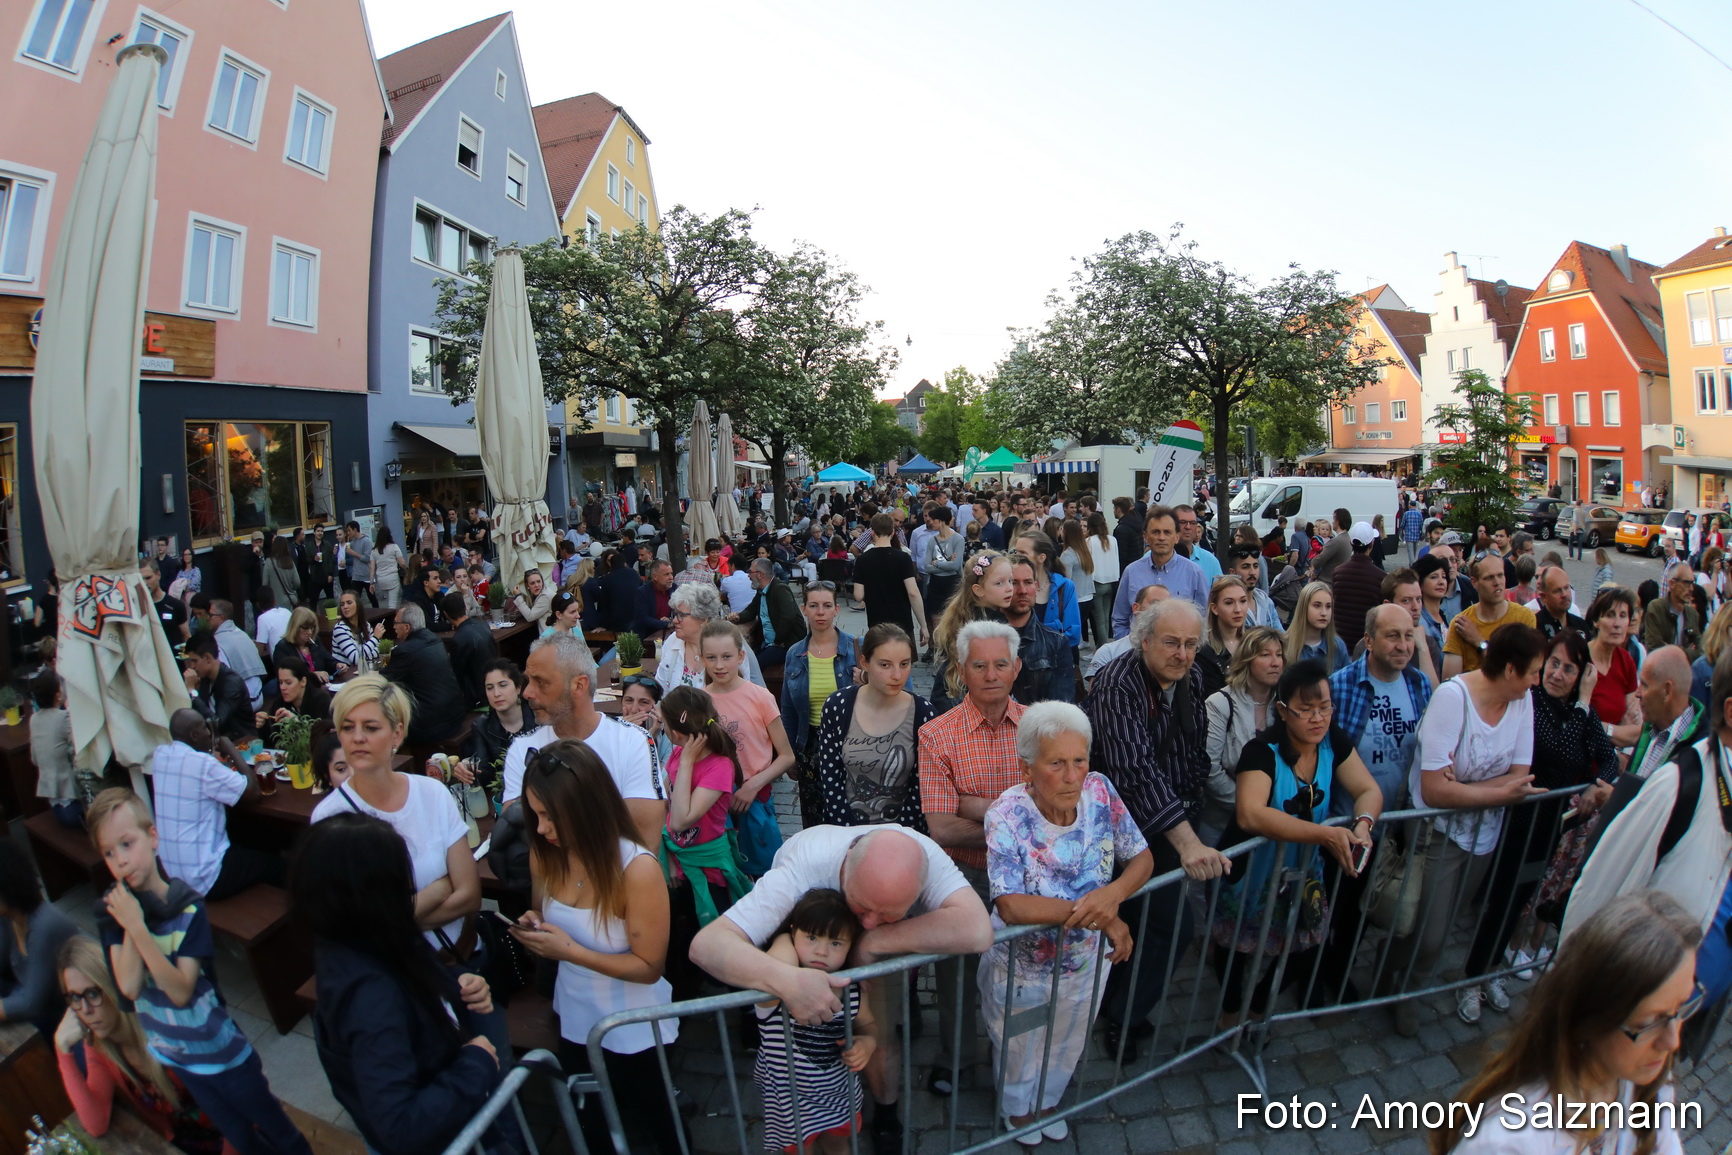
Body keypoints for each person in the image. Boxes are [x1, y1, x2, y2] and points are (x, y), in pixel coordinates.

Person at [689, 826, 991, 1154]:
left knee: (880, 1034)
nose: (870, 921)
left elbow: (978, 930)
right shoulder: (802, 868)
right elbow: (707, 946)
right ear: (846, 866)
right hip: (810, 939)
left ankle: (885, 1114)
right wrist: (786, 980)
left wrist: (875, 941)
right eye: (861, 907)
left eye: (889, 914)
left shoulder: (925, 856)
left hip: (871, 954)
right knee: (793, 1026)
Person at [86, 789, 311, 1155]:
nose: (120, 861)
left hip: (222, 1054)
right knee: (240, 1138)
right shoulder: (114, 914)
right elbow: (127, 986)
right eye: (109, 853)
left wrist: (140, 929)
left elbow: (180, 990)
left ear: (153, 837)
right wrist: (130, 924)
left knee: (278, 1131)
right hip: (178, 1058)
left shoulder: (186, 908)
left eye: (127, 844)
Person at [980, 701, 1152, 1141]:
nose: (1073, 775)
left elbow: (1142, 857)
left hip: (1084, 962)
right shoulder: (1006, 814)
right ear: (1027, 768)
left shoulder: (1100, 791)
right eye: (1057, 763)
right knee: (1020, 1043)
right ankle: (1017, 1111)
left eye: (1079, 760)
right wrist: (1100, 918)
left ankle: (1048, 1101)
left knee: (1069, 1036)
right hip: (1022, 966)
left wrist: (1110, 897)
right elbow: (1011, 905)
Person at [506, 739, 683, 1154]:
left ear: (587, 810)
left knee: (661, 1124)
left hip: (635, 1027)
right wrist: (534, 926)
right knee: (592, 1123)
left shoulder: (636, 869)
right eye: (536, 816)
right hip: (575, 1018)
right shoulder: (546, 856)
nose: (543, 829)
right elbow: (544, 915)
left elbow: (649, 966)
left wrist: (568, 952)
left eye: (551, 817)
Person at [291, 815, 503, 1155]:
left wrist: (454, 984)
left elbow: (416, 975)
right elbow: (401, 1128)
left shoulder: (352, 935)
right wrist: (474, 1065)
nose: (410, 889)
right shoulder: (369, 998)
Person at [1432, 891, 1703, 1155]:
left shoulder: (1648, 1079)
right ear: (1591, 1015)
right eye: (1649, 1022)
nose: (1673, 1041)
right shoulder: (1508, 1142)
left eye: (1680, 1009)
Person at [1082, 598, 1232, 1059]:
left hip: (1165, 823)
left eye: (1190, 644)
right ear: (1144, 641)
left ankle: (1119, 1009)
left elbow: (1193, 755)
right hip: (1117, 829)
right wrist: (1187, 839)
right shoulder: (1117, 683)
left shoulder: (1194, 676)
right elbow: (1134, 770)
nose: (1182, 654)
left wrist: (1189, 810)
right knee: (1168, 926)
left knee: (1155, 925)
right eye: (1171, 642)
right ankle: (1119, 1016)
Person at [1210, 660, 1381, 1023]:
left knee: (1304, 946)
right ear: (1284, 711)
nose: (1317, 718)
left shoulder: (1333, 742)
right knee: (1234, 949)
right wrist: (1325, 834)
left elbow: (1367, 789)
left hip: (1302, 872)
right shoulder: (1261, 751)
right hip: (1250, 874)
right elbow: (1250, 814)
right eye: (1306, 710)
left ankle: (1257, 1008)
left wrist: (1363, 824)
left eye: (1325, 708)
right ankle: (1228, 1012)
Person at [1399, 625, 1547, 1026]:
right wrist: (1498, 794)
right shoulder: (1453, 698)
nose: (1538, 680)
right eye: (1533, 671)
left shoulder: (1522, 700)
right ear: (1511, 670)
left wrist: (1464, 788)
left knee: (1446, 924)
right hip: (1438, 833)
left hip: (1484, 833)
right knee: (1429, 931)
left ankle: (1405, 977)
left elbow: (1521, 774)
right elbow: (1434, 790)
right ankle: (1404, 987)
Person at [918, 619, 1027, 1095]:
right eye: (979, 665)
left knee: (1024, 969)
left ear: (1017, 668)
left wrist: (974, 805)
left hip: (1025, 873)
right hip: (962, 872)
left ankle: (1017, 1058)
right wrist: (1016, 816)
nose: (990, 674)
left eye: (1000, 664)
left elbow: (1057, 805)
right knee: (956, 970)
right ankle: (957, 1056)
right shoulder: (937, 735)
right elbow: (940, 826)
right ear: (962, 670)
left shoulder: (1040, 729)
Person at [1562, 651, 1732, 942]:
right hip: (1635, 952)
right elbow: (1602, 881)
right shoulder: (1680, 780)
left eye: (1644, 685)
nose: (1638, 694)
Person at [53, 934, 230, 1154]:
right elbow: (96, 1123)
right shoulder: (100, 1046)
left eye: (92, 993)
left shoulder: (166, 1024)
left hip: (241, 1139)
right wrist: (62, 1051)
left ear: (113, 987)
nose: (86, 1010)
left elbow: (237, 1108)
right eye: (75, 998)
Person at [502, 633, 666, 849]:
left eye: (540, 682)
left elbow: (645, 843)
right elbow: (524, 839)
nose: (527, 693)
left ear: (579, 685)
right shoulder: (522, 749)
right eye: (528, 681)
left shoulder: (633, 741)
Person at [752, 890, 877, 1155]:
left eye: (836, 943)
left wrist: (868, 1042)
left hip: (838, 1097)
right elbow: (776, 964)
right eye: (811, 937)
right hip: (789, 1105)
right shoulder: (773, 993)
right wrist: (787, 934)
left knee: (838, 1148)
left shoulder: (851, 989)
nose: (821, 951)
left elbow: (867, 1025)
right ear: (793, 933)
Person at [658, 686, 747, 1001]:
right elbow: (666, 802)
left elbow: (682, 819)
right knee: (686, 929)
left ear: (678, 733)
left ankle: (748, 1007)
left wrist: (685, 765)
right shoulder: (682, 750)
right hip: (677, 861)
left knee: (723, 938)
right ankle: (694, 983)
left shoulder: (718, 766)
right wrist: (668, 856)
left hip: (708, 869)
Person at [153, 707, 280, 903]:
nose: (209, 733)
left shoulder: (160, 756)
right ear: (194, 735)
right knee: (277, 864)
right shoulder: (202, 764)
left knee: (254, 834)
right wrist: (230, 747)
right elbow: (253, 793)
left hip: (172, 873)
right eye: (205, 728)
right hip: (204, 879)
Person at [814, 622, 933, 830]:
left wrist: (898, 837)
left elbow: (922, 788)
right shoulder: (838, 706)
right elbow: (830, 779)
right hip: (846, 831)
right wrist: (851, 836)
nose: (897, 675)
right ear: (865, 662)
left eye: (904, 664)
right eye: (885, 665)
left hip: (905, 834)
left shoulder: (923, 714)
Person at [700, 620, 795, 873]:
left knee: (763, 871)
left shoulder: (760, 697)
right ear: (702, 658)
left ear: (741, 656)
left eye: (726, 657)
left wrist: (753, 785)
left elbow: (786, 756)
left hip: (754, 797)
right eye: (711, 657)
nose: (719, 665)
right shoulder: (700, 701)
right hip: (715, 801)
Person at [782, 581, 861, 828]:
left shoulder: (854, 650)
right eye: (814, 606)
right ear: (804, 609)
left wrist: (865, 681)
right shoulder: (795, 654)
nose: (820, 612)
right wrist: (790, 754)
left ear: (836, 609)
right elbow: (788, 710)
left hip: (852, 742)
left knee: (850, 814)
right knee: (814, 817)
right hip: (811, 744)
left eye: (827, 606)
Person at [1200, 626, 1285, 848]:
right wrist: (1251, 807)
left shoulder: (1284, 705)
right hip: (1221, 825)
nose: (1275, 662)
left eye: (1279, 655)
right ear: (1247, 659)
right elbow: (1210, 768)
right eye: (1266, 655)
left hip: (1273, 822)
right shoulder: (1220, 704)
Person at [0, 840, 81, 1038]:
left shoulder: (45, 926)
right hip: (33, 998)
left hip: (67, 1015)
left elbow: (31, 1003)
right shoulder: (8, 918)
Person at [928, 550, 1015, 710]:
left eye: (1011, 581)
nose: (1009, 588)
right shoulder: (991, 624)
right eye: (999, 583)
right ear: (978, 590)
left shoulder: (967, 614)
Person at [655, 581, 768, 693]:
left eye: (681, 615)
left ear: (703, 618)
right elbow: (660, 691)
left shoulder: (728, 643)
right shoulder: (672, 641)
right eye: (675, 614)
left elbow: (741, 694)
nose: (674, 621)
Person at [1111, 506, 1207, 634]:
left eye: (1167, 532)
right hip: (1137, 651)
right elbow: (1120, 619)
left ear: (1177, 537)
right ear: (1146, 536)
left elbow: (1203, 619)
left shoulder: (1194, 573)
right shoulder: (1131, 572)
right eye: (1156, 532)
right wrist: (1128, 648)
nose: (1161, 538)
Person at [1443, 554, 1538, 678]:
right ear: (1474, 582)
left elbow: (1519, 675)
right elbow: (1449, 683)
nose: (1497, 582)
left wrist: (1480, 643)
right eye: (1489, 578)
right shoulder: (1461, 623)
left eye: (1500, 575)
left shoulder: (1524, 617)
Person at [383, 605, 465, 745]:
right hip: (455, 713)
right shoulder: (435, 639)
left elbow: (383, 682)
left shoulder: (405, 651)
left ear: (407, 627)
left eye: (396, 623)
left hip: (431, 724)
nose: (394, 627)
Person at [1003, 556, 1077, 705]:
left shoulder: (1057, 643)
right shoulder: (981, 641)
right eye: (1014, 582)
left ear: (1036, 587)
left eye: (1028, 582)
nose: (1022, 591)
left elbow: (1061, 708)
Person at [852, 513, 929, 649]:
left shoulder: (863, 559)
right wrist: (923, 625)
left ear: (872, 533)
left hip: (876, 623)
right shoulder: (903, 558)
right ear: (893, 532)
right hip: (902, 623)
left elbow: (858, 595)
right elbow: (913, 593)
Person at [182, 635, 258, 744]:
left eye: (195, 661)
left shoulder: (231, 683)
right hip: (220, 742)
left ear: (208, 658)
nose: (192, 666)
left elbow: (216, 723)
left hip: (242, 744)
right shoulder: (204, 678)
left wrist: (193, 693)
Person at [1014, 531, 1081, 650]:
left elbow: (1073, 634)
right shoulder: (1010, 586)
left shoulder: (1064, 587)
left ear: (1041, 558)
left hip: (1056, 661)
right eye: (1016, 552)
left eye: (1023, 553)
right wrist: (1054, 628)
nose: (1016, 557)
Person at [733, 557, 806, 666]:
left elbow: (788, 617)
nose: (748, 576)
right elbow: (751, 611)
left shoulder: (780, 589)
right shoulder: (761, 592)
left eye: (750, 572)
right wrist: (738, 617)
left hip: (787, 645)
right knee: (746, 659)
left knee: (755, 665)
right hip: (770, 643)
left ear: (760, 574)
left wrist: (777, 641)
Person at [1087, 583, 1166, 681]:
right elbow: (1096, 692)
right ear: (1136, 608)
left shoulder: (1178, 654)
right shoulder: (1108, 653)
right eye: (1154, 603)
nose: (1161, 610)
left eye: (1167, 607)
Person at [29, 671, 79, 824]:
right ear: (58, 695)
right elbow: (79, 747)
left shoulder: (33, 719)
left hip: (52, 800)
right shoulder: (63, 718)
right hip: (72, 802)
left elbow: (35, 759)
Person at [1328, 523, 1386, 652]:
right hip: (1366, 645)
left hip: (1339, 642)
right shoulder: (1381, 577)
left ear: (1350, 543)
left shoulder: (1337, 572)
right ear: (1371, 544)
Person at [1198, 575, 1251, 700]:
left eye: (1243, 601)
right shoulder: (1203, 650)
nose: (1238, 609)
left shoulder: (1256, 641)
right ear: (1214, 608)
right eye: (1229, 603)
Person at [443, 592, 498, 712]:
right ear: (465, 607)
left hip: (478, 700)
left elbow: (456, 675)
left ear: (446, 614)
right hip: (494, 688)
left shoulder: (458, 639)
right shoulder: (483, 626)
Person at [1284, 581, 1349, 673]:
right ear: (1304, 608)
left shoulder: (1338, 646)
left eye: (1328, 606)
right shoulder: (1284, 645)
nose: (1324, 613)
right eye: (1317, 606)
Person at [1644, 566, 1703, 660]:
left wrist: (1669, 648)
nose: (1691, 588)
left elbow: (1700, 649)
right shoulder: (1656, 608)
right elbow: (1654, 646)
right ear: (1672, 584)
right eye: (1687, 583)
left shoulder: (1692, 614)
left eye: (1693, 583)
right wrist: (1686, 652)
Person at [271, 606, 336, 685]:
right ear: (295, 627)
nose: (310, 632)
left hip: (320, 688)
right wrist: (312, 675)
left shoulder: (315, 641)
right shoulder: (282, 648)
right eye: (305, 628)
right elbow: (286, 677)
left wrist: (337, 665)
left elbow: (327, 660)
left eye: (312, 628)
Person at [1084, 511, 1120, 645]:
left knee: (1099, 620)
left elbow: (1087, 563)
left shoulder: (1089, 541)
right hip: (1111, 581)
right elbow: (1116, 560)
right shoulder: (1113, 540)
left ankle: (1102, 649)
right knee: (1105, 618)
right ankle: (1104, 646)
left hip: (1096, 582)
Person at [330, 589, 382, 675]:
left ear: (358, 604)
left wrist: (364, 655)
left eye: (349, 602)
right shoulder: (340, 629)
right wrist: (375, 638)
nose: (345, 607)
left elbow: (378, 650)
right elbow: (357, 659)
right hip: (345, 676)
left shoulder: (366, 625)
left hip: (363, 672)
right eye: (342, 604)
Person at [142, 559, 189, 645]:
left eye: (148, 578)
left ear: (158, 575)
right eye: (141, 579)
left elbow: (186, 635)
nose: (145, 583)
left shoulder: (175, 605)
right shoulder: (138, 607)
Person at [1309, 508, 1353, 584]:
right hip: (1338, 582)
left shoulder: (1336, 541)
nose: (1332, 523)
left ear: (1338, 522)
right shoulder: (1347, 538)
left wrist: (1312, 560)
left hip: (1327, 582)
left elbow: (1317, 561)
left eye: (1333, 519)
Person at [634, 558, 675, 636]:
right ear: (655, 577)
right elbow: (642, 618)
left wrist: (670, 620)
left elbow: (681, 612)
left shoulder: (675, 589)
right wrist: (664, 624)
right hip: (648, 635)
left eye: (671, 573)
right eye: (666, 574)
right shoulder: (643, 592)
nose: (671, 577)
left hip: (670, 634)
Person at [371, 528, 407, 610]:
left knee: (388, 601)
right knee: (393, 604)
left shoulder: (374, 551)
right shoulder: (394, 547)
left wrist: (371, 583)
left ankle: (389, 616)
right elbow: (402, 563)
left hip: (381, 579)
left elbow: (372, 568)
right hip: (392, 577)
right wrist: (406, 571)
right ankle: (392, 620)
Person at [262, 537, 301, 611]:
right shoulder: (290, 562)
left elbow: (265, 584)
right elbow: (297, 583)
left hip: (275, 603)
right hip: (291, 601)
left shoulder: (269, 562)